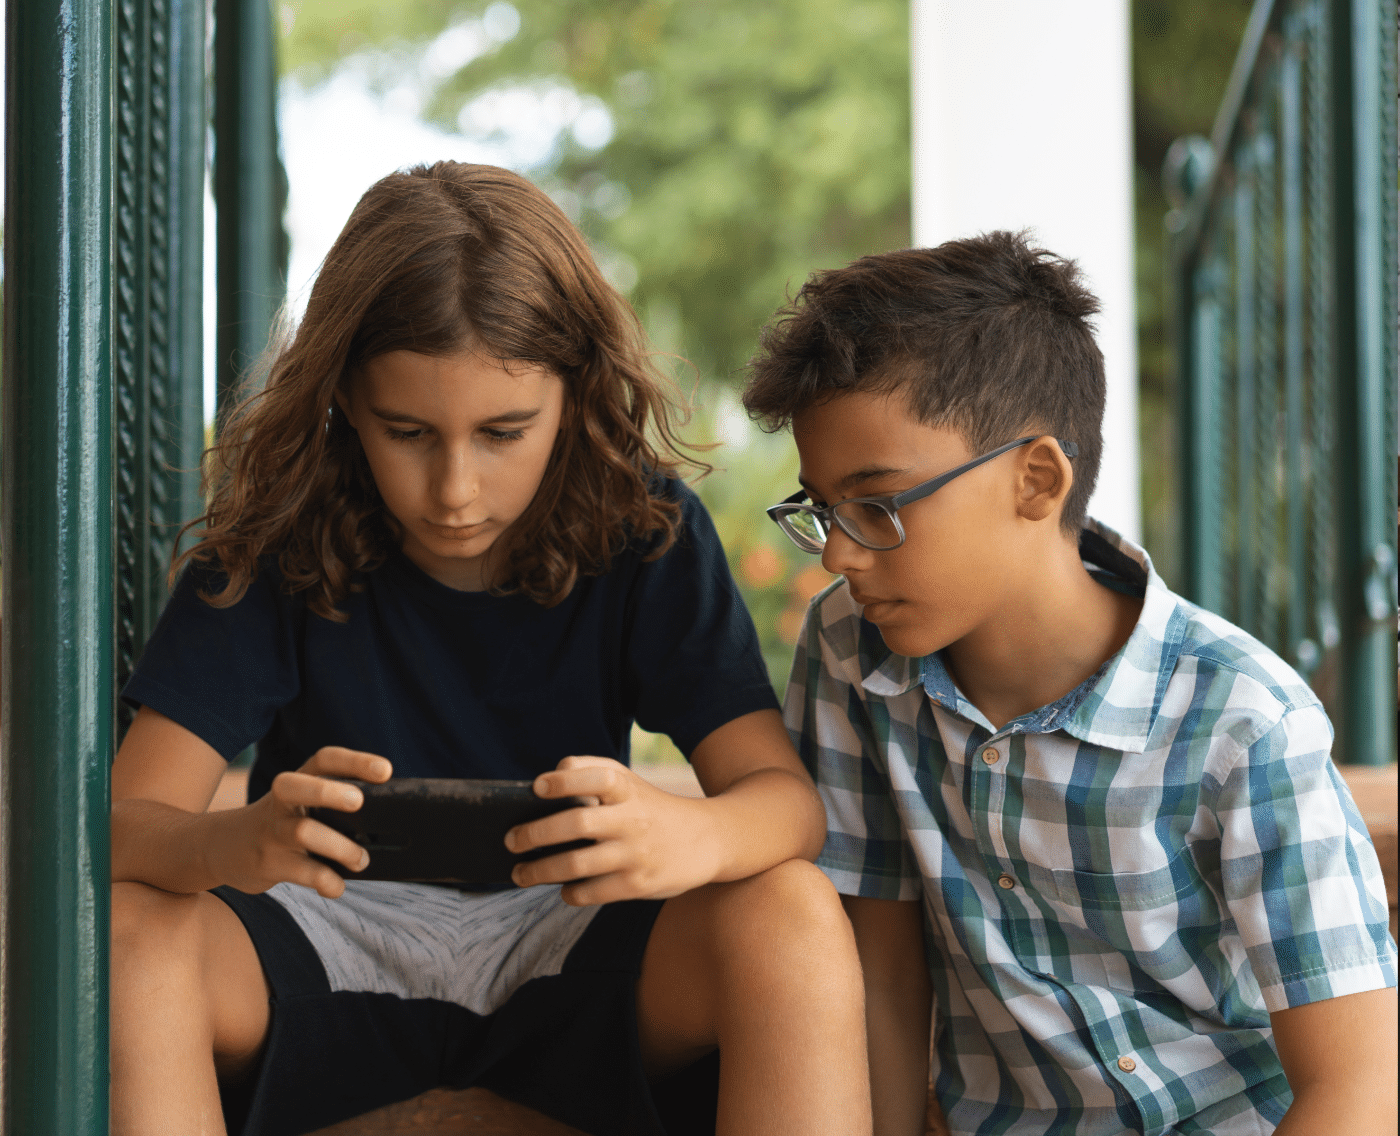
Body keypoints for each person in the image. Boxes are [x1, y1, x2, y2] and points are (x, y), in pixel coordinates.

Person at [110, 161, 871, 1136]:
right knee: (130, 935)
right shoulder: (276, 536)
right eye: (407, 431)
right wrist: (235, 841)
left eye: (504, 430)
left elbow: (784, 805)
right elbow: (126, 826)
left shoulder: (645, 529)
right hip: (320, 928)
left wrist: (691, 833)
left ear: (575, 391)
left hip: (574, 934)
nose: (455, 488)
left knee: (790, 912)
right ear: (343, 398)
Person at [742, 231, 1398, 1136]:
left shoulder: (1243, 720)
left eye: (879, 505)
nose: (843, 555)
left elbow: (1361, 1085)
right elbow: (879, 979)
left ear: (1037, 479)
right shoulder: (854, 653)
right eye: (823, 511)